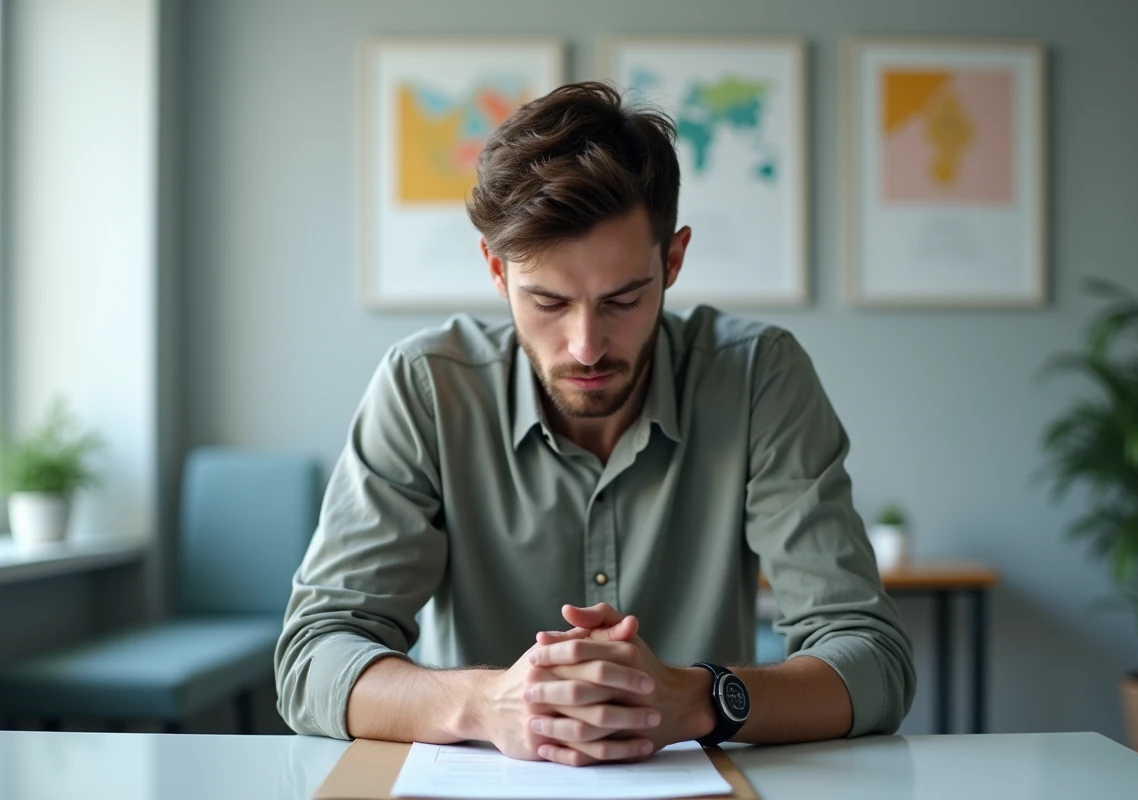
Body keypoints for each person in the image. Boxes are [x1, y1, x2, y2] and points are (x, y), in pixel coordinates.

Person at [275, 81, 915, 766]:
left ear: (672, 261)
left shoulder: (759, 378)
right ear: (496, 271)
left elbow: (873, 658)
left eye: (623, 300)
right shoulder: (426, 388)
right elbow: (314, 657)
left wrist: (697, 699)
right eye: (548, 302)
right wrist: (486, 704)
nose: (585, 347)